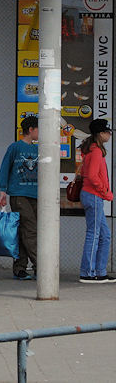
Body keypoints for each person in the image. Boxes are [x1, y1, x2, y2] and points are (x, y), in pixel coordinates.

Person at [0, 116, 39, 281]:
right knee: (30, 230)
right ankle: (41, 266)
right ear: (31, 130)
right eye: (38, 129)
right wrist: (3, 192)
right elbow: (4, 169)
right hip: (19, 194)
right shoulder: (15, 147)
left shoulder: (39, 149)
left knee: (24, 231)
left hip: (36, 195)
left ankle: (20, 268)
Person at [78, 119, 114, 283]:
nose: (109, 134)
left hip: (93, 195)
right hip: (93, 195)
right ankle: (88, 272)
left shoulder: (93, 150)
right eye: (107, 131)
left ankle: (99, 271)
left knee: (105, 235)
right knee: (95, 234)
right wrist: (105, 192)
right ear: (100, 133)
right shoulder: (96, 152)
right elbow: (92, 176)